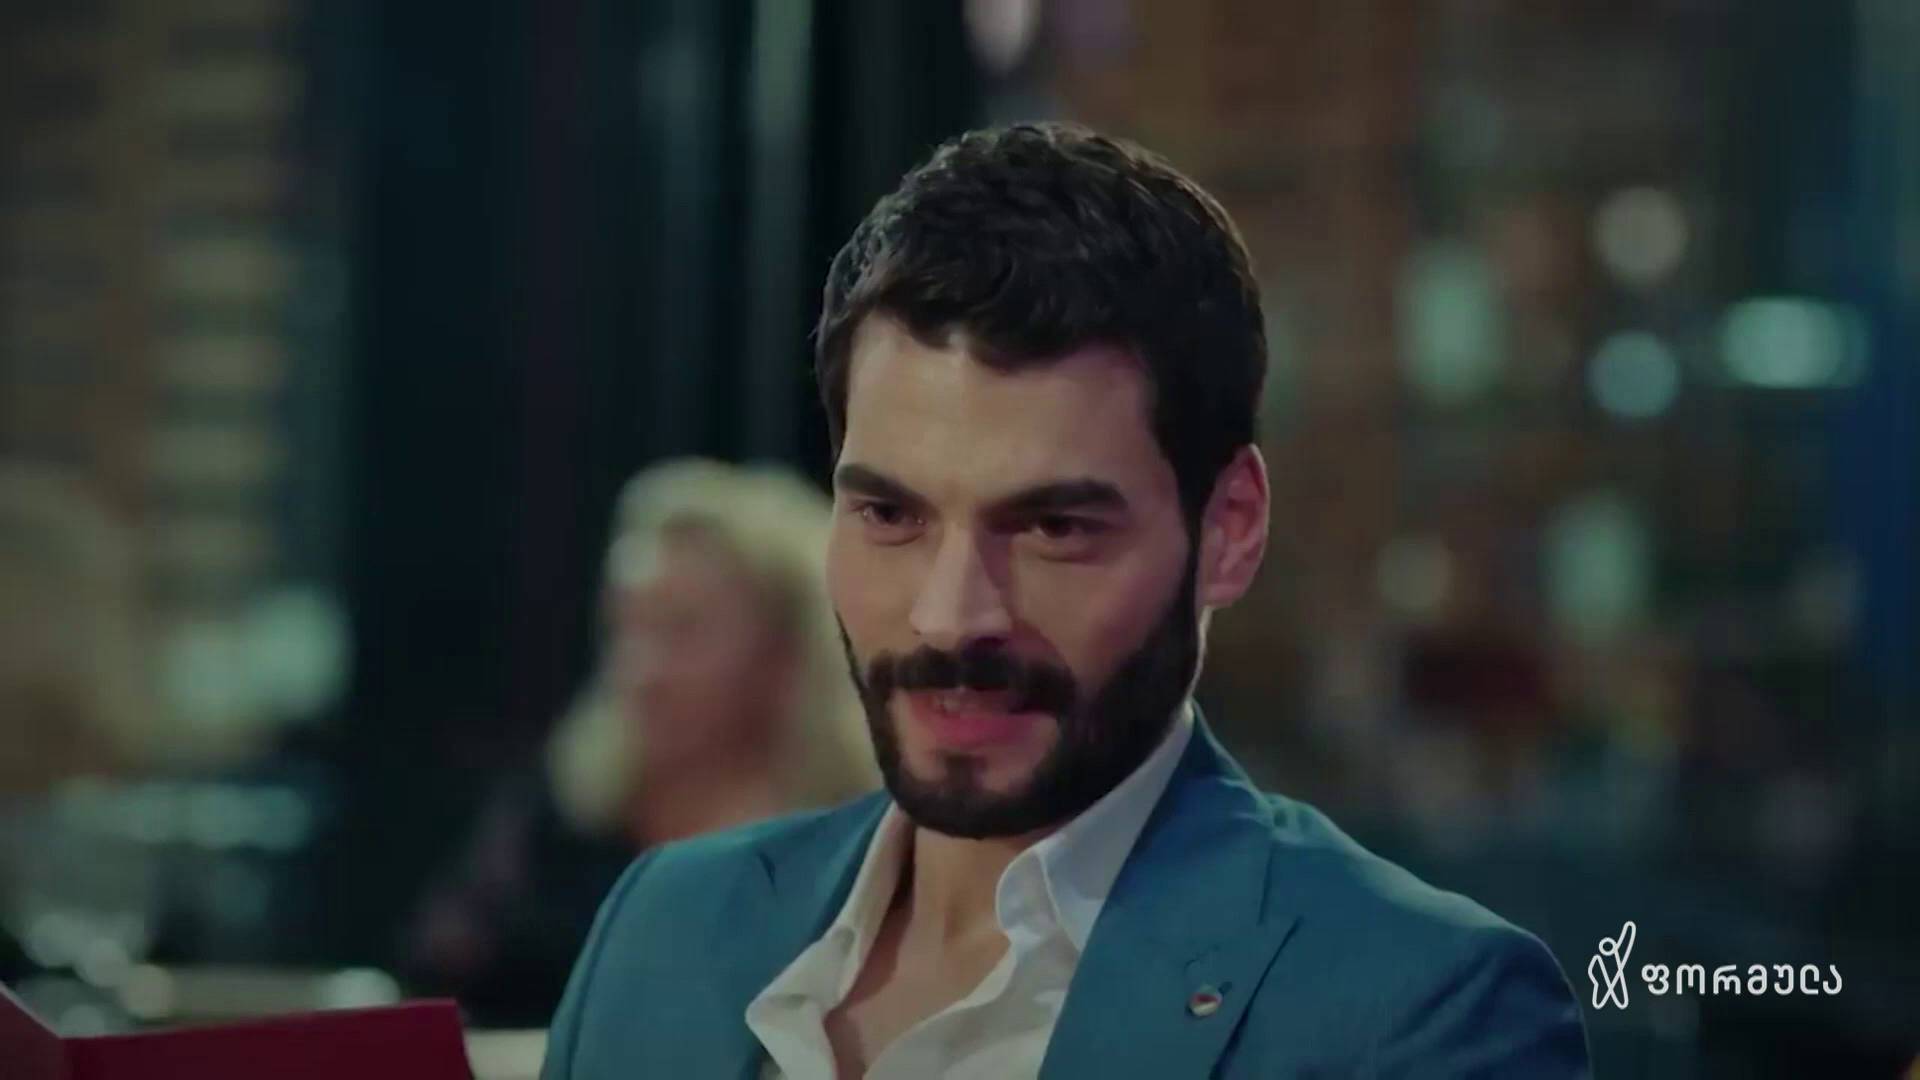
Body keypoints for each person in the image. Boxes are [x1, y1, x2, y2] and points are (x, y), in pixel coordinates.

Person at [542, 124, 1589, 1077]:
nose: (951, 618)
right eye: (891, 515)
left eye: (1054, 528)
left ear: (1229, 529)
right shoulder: (665, 928)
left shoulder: (1420, 1015)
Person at [404, 459, 877, 1027]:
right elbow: (437, 993)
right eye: (627, 628)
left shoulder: (863, 847)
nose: (639, 670)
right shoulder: (560, 819)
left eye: (682, 630)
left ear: (784, 654)